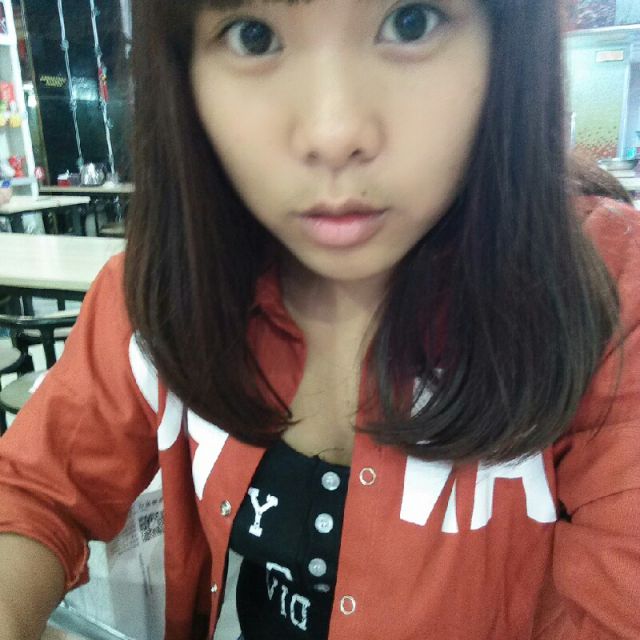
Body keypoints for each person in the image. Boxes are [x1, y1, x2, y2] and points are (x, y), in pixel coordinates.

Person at [0, 0, 639, 639]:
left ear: (507, 42)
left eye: (411, 22)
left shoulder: (608, 296)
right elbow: (33, 493)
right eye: (254, 36)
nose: (332, 134)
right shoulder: (173, 285)